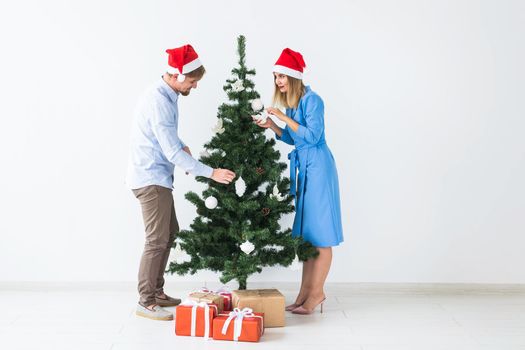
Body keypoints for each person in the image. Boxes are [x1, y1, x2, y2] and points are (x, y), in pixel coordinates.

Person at [126, 45, 236, 320]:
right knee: (156, 239)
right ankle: (146, 300)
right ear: (176, 75)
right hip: (150, 178)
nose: (195, 86)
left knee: (170, 232)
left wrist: (183, 146)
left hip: (158, 176)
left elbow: (168, 141)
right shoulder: (159, 100)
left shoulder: (169, 94)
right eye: (191, 81)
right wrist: (211, 173)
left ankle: (157, 292)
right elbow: (170, 152)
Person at [254, 48, 343, 315]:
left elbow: (313, 136)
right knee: (307, 237)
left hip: (318, 167)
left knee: (322, 236)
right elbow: (293, 139)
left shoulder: (314, 100)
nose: (278, 81)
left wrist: (282, 117)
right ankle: (304, 294)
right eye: (275, 77)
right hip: (305, 168)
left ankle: (317, 294)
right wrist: (272, 125)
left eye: (282, 76)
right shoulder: (293, 104)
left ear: (293, 76)